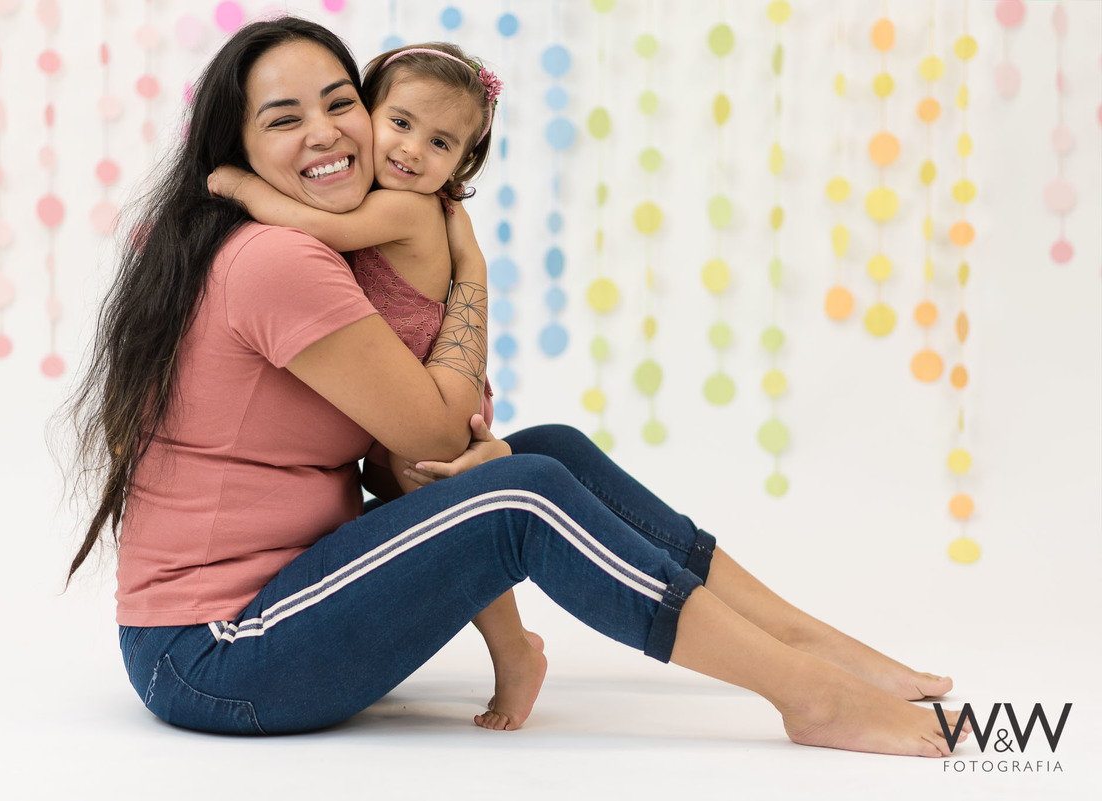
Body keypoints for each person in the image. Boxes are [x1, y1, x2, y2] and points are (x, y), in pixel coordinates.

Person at [66, 16, 964, 756]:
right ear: (238, 146)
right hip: (215, 654)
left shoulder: (315, 248)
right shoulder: (276, 259)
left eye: (341, 102)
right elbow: (434, 422)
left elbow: (394, 452)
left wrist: (439, 453)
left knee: (550, 451)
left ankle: (812, 642)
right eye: (283, 118)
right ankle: (809, 694)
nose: (326, 133)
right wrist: (471, 273)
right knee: (522, 496)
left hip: (288, 597)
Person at [206, 41, 545, 730]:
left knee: (456, 524)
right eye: (400, 123)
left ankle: (514, 649)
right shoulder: (387, 197)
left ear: (463, 162)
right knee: (423, 516)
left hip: (433, 401)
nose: (414, 150)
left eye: (441, 142)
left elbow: (314, 224)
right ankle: (513, 645)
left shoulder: (410, 209)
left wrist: (239, 184)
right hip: (404, 397)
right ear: (370, 113)